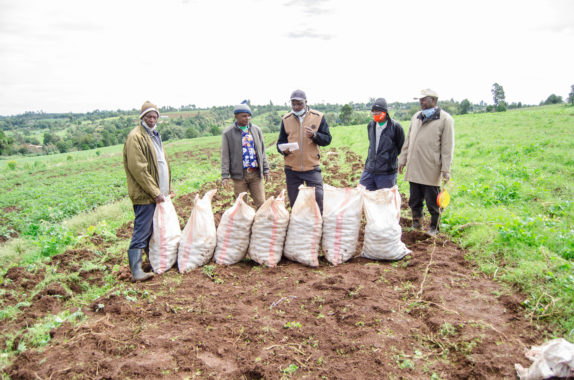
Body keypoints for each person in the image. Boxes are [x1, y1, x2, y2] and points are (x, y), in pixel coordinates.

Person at [123, 100, 173, 281]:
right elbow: (139, 169)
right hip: (145, 195)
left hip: (157, 193)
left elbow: (161, 164)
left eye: (155, 116)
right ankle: (136, 271)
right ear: (142, 117)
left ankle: (152, 262)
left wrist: (167, 189)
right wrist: (155, 192)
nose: (152, 119)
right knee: (142, 230)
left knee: (154, 230)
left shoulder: (154, 135)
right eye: (149, 116)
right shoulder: (136, 137)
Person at [398, 89, 454, 235]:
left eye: (424, 99)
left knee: (432, 201)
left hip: (431, 167)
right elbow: (408, 140)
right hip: (414, 166)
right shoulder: (416, 117)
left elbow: (447, 147)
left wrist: (446, 169)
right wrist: (402, 160)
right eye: (420, 100)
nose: (421, 102)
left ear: (434, 100)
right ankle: (417, 224)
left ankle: (434, 228)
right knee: (414, 200)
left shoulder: (445, 119)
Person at [277, 89, 332, 213]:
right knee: (295, 203)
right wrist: (284, 150)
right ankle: (299, 228)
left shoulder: (318, 117)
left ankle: (318, 226)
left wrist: (315, 135)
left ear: (306, 102)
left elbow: (327, 139)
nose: (296, 107)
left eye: (299, 104)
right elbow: (280, 142)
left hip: (312, 167)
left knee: (318, 199)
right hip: (292, 169)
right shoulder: (286, 119)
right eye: (293, 104)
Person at [221, 101, 269, 209]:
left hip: (256, 174)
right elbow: (225, 156)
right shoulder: (228, 133)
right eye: (244, 116)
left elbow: (262, 151)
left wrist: (265, 169)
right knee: (241, 205)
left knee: (261, 203)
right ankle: (244, 226)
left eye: (248, 116)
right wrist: (225, 175)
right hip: (239, 176)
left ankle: (261, 224)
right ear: (236, 116)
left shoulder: (256, 130)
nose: (247, 118)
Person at [360, 98, 405, 190]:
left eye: (378, 112)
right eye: (373, 112)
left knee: (384, 200)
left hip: (387, 173)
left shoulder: (395, 127)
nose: (375, 115)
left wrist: (389, 157)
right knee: (364, 194)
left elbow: (400, 146)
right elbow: (372, 144)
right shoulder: (371, 125)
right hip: (369, 170)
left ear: (384, 112)